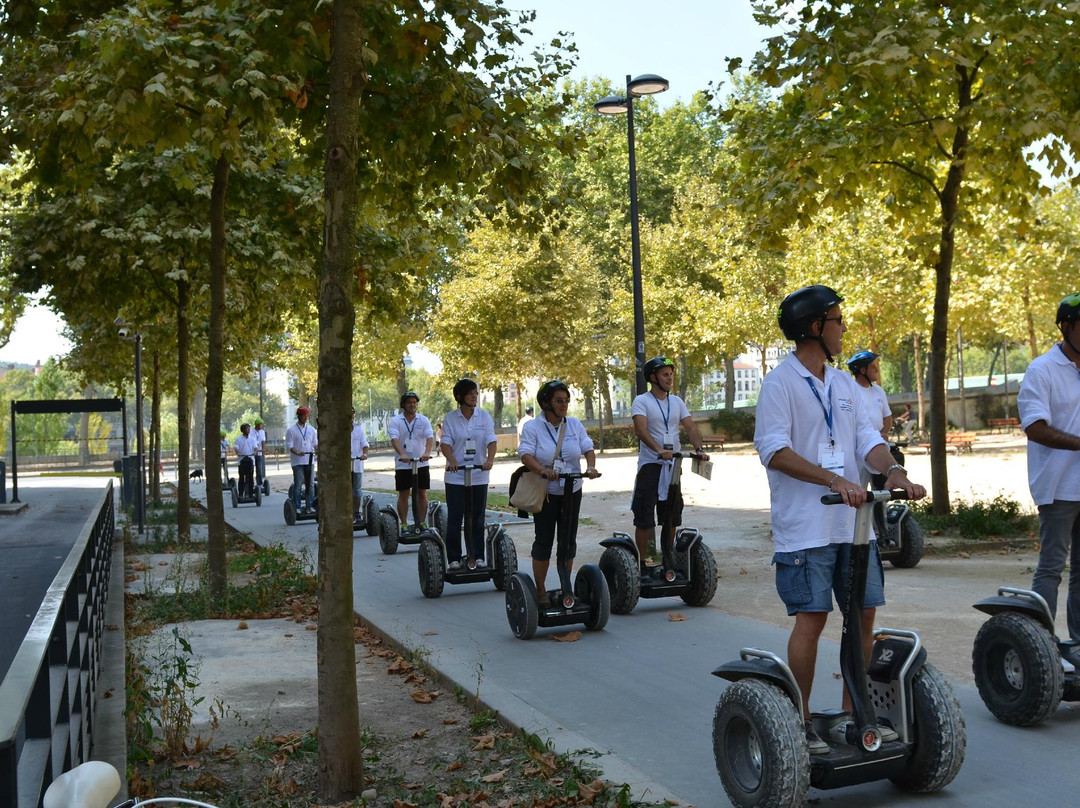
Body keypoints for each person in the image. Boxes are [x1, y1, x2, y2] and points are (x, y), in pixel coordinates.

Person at [754, 285, 924, 755]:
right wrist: (833, 480)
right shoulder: (780, 384)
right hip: (807, 526)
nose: (844, 328)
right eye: (838, 320)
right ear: (815, 327)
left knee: (863, 616)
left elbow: (867, 438)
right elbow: (774, 450)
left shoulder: (844, 385)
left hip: (853, 526)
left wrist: (892, 470)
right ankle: (801, 721)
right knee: (811, 620)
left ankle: (854, 716)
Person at [1016, 292, 1080, 664]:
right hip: (1058, 487)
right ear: (1066, 327)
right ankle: (1042, 647)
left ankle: (1078, 644)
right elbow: (1035, 427)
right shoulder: (1042, 370)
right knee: (1053, 567)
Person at [518, 380, 599, 604]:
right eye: (559, 400)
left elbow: (587, 447)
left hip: (572, 490)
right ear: (546, 403)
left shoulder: (573, 424)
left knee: (568, 541)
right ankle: (541, 591)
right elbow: (525, 454)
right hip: (546, 493)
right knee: (544, 541)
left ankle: (566, 588)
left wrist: (591, 467)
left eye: (566, 400)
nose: (564, 405)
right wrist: (542, 470)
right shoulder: (533, 427)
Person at [630, 356, 708, 577]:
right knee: (645, 517)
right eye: (665, 375)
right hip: (651, 465)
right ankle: (642, 563)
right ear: (653, 377)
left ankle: (668, 559)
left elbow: (690, 427)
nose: (670, 378)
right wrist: (657, 449)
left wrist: (699, 449)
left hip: (672, 465)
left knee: (672, 514)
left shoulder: (677, 402)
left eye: (671, 374)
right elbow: (640, 429)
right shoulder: (642, 401)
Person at [440, 378, 497, 568]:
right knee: (456, 517)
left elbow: (491, 440)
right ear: (460, 396)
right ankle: (454, 558)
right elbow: (445, 443)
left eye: (475, 393)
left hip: (479, 475)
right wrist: (452, 461)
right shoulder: (451, 418)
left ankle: (478, 556)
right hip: (456, 476)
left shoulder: (484, 416)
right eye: (470, 393)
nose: (474, 396)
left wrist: (489, 460)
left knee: (477, 518)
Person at [846, 349, 893, 539]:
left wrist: (884, 433)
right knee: (859, 489)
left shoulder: (878, 391)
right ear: (862, 370)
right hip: (859, 449)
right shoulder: (851, 389)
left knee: (881, 492)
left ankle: (881, 531)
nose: (877, 370)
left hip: (878, 446)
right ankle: (858, 531)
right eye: (873, 367)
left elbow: (887, 417)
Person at [388, 391, 435, 531]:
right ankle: (403, 524)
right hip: (403, 464)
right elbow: (394, 439)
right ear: (403, 405)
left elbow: (430, 437)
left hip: (421, 463)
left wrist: (427, 452)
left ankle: (421, 522)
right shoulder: (396, 421)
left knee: (422, 493)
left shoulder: (423, 420)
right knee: (404, 494)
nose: (412, 405)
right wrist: (402, 454)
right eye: (409, 402)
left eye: (414, 402)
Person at [285, 405, 318, 513]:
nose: (305, 418)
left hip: (309, 460)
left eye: (307, 416)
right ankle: (297, 506)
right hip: (297, 462)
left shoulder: (311, 430)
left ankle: (310, 505)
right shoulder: (291, 430)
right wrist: (297, 452)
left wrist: (319, 451)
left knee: (310, 484)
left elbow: (315, 444)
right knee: (298, 483)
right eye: (303, 415)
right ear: (298, 416)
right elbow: (289, 445)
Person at [233, 422, 258, 497]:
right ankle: (241, 493)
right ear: (243, 430)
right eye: (247, 429)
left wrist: (255, 452)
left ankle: (250, 493)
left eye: (249, 428)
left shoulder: (252, 439)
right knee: (241, 477)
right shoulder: (238, 439)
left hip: (250, 460)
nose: (249, 430)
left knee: (250, 477)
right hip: (242, 460)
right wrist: (238, 452)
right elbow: (236, 447)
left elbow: (255, 447)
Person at [252, 418, 267, 489]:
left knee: (259, 469)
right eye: (261, 424)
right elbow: (250, 441)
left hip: (259, 453)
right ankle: (251, 484)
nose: (263, 426)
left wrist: (263, 449)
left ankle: (260, 484)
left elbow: (263, 441)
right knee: (251, 469)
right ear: (257, 424)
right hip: (251, 453)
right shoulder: (251, 431)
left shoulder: (262, 432)